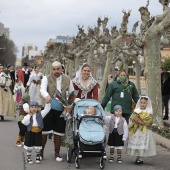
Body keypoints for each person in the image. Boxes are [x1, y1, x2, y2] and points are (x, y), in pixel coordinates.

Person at [40, 61, 74, 162]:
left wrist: (70, 105)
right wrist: (46, 96)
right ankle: (40, 153)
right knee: (44, 132)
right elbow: (42, 89)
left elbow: (72, 93)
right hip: (49, 108)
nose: (56, 71)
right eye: (54, 69)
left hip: (61, 109)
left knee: (58, 132)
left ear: (61, 69)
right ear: (52, 70)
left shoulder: (67, 79)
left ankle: (57, 154)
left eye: (58, 69)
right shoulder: (46, 78)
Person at [126, 96, 157, 164]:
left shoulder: (149, 112)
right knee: (137, 142)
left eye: (144, 103)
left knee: (143, 143)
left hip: (144, 131)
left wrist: (141, 121)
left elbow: (150, 121)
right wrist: (135, 120)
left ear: (147, 103)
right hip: (136, 130)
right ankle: (137, 157)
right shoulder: (136, 111)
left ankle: (140, 157)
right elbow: (131, 118)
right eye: (141, 103)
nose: (142, 104)